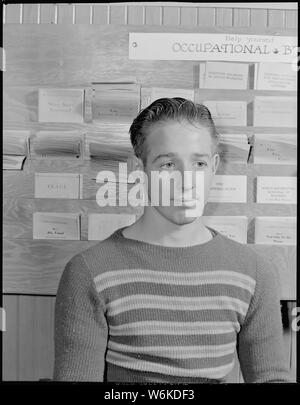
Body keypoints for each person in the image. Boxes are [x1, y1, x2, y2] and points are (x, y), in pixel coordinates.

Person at [53, 98, 290, 383]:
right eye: (167, 164)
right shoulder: (89, 272)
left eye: (199, 163)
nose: (186, 180)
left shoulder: (253, 273)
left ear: (214, 167)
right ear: (140, 169)